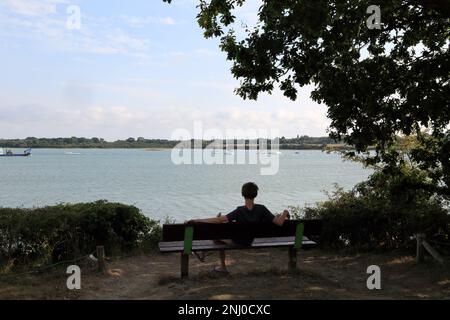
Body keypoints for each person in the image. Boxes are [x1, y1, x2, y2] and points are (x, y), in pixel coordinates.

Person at [187, 182, 290, 273]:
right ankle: (206, 254)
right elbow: (279, 222)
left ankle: (221, 266)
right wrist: (285, 212)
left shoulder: (239, 211)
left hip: (237, 241)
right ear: (256, 195)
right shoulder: (262, 209)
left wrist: (198, 220)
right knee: (218, 236)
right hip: (249, 241)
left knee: (217, 235)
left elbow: (219, 220)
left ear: (242, 194)